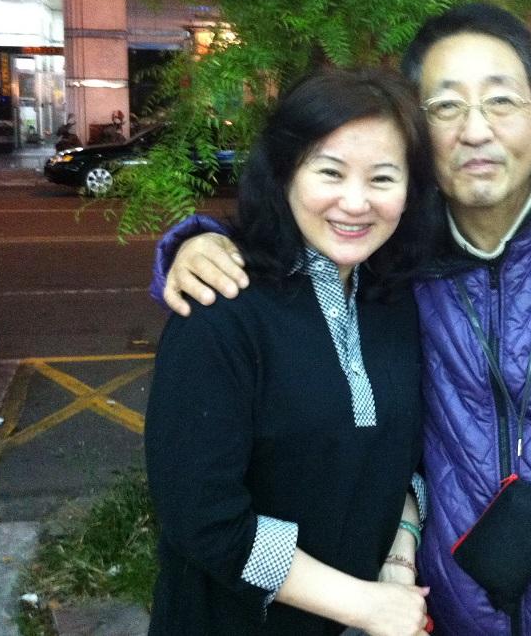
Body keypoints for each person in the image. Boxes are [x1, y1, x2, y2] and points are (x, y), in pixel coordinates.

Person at [152, 3, 531, 636]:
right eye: (446, 106)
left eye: (500, 101)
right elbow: (204, 505)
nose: (475, 130)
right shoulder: (404, 262)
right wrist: (191, 245)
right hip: (449, 617)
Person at [145, 68, 440, 635]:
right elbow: (202, 516)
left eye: (383, 178)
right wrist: (362, 604)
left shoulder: (395, 304)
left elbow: (400, 462)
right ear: (284, 173)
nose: (355, 202)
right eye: (330, 172)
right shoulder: (221, 306)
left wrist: (398, 562)